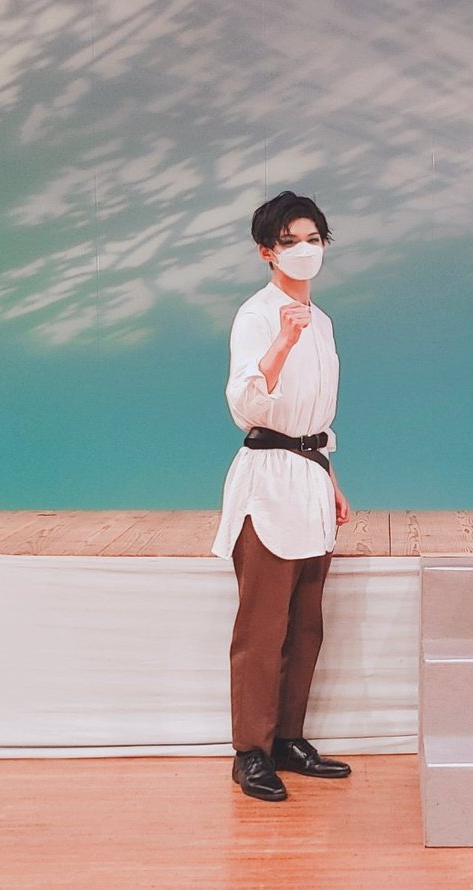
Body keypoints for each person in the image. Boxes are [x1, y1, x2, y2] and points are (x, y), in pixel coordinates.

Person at [211, 191, 352, 802]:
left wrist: (330, 477)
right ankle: (251, 751)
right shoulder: (257, 315)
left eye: (313, 239)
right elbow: (245, 403)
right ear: (266, 251)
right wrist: (282, 343)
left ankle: (288, 738)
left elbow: (315, 416)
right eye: (290, 241)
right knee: (262, 625)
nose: (304, 250)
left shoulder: (324, 321)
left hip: (309, 476)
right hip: (266, 480)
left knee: (305, 623)